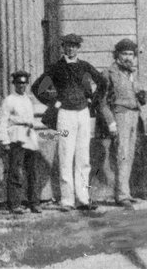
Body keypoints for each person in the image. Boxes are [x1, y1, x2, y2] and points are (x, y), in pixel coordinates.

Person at [32, 33, 106, 212]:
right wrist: (55, 102)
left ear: (78, 48)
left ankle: (83, 198)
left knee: (83, 157)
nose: (71, 49)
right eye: (67, 45)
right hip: (65, 114)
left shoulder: (84, 66)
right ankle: (67, 200)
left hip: (83, 113)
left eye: (74, 46)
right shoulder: (56, 68)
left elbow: (102, 83)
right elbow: (37, 87)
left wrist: (92, 102)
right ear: (63, 47)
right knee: (65, 155)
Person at [102, 39, 147, 207]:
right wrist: (111, 123)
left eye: (131, 54)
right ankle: (122, 195)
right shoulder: (109, 73)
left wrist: (142, 95)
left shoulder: (133, 73)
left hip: (135, 115)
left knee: (130, 155)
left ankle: (126, 192)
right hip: (120, 115)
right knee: (121, 154)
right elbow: (102, 102)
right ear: (117, 55)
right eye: (124, 54)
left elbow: (141, 99)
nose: (128, 57)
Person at [0, 70, 43, 213]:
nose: (21, 86)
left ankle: (34, 202)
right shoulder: (9, 100)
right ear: (14, 84)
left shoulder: (28, 99)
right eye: (18, 83)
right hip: (16, 136)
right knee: (16, 170)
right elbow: (2, 121)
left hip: (29, 136)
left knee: (32, 171)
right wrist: (4, 140)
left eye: (24, 83)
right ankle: (15, 204)